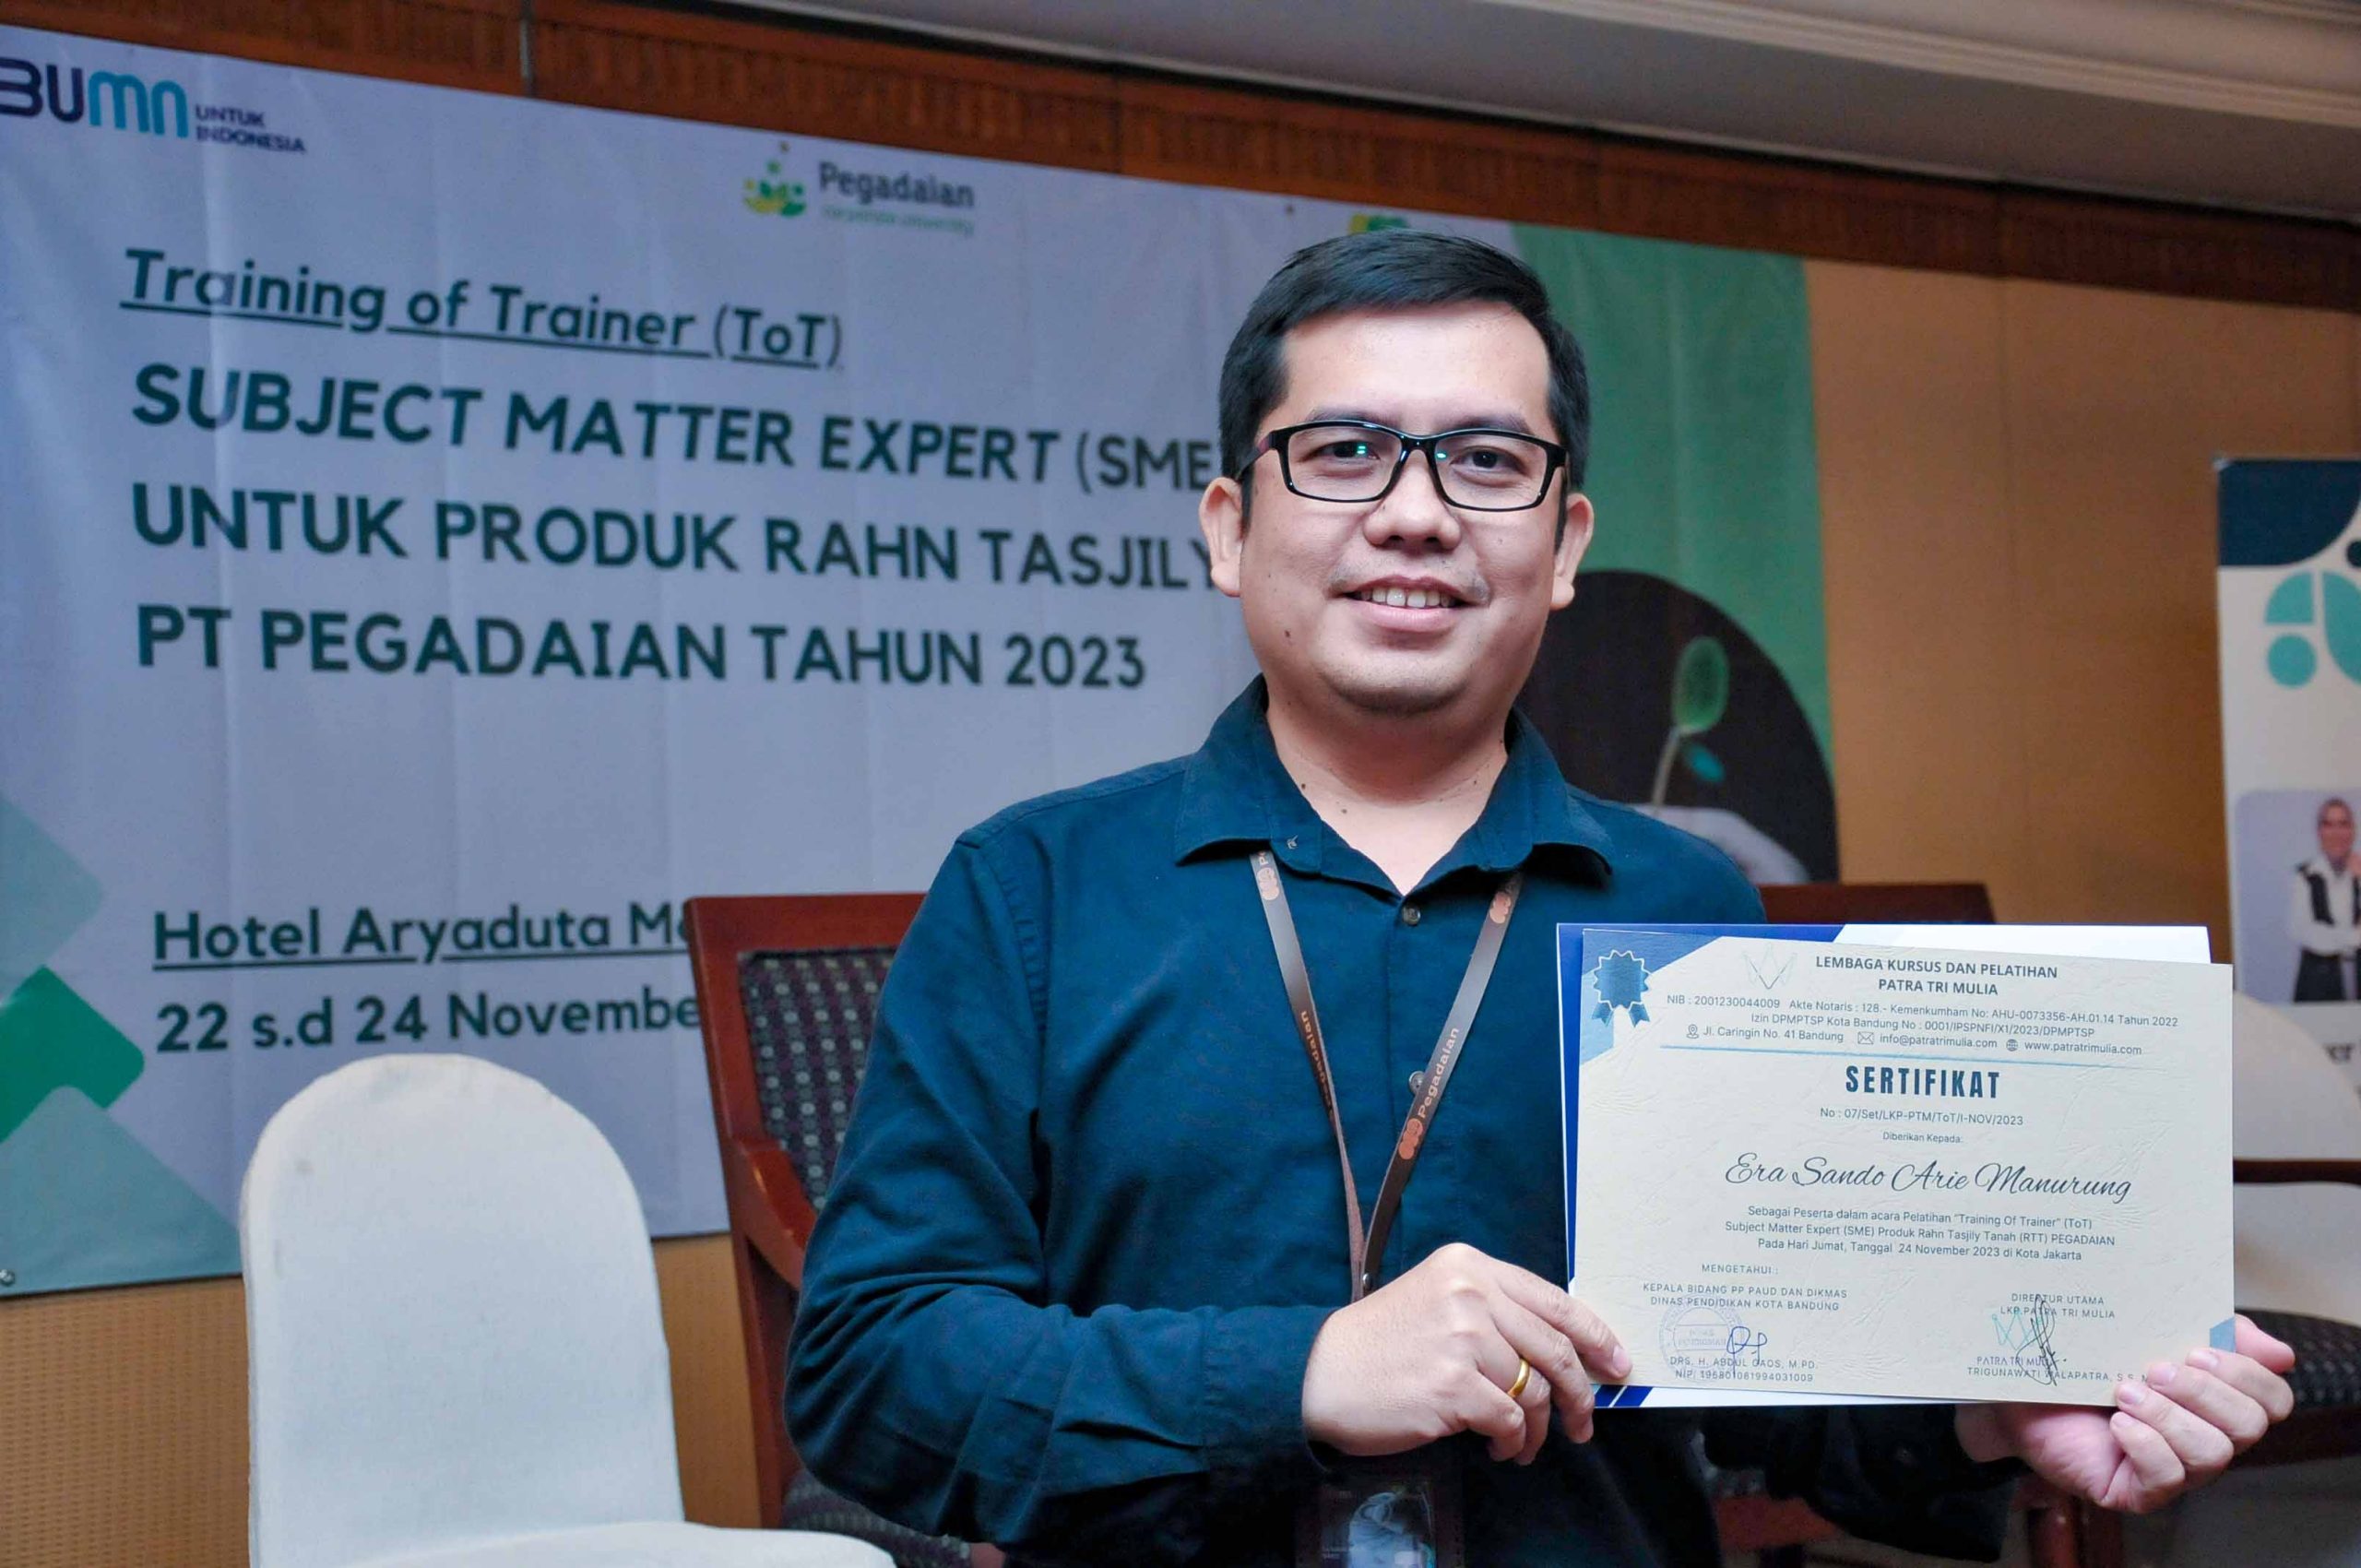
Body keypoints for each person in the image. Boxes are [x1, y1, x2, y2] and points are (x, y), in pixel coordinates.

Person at [786, 231, 2296, 1565]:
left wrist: (1988, 1415)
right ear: (1231, 527)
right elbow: (871, 1370)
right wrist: (1300, 1374)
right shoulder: (1035, 891)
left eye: (1489, 462)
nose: (1417, 514)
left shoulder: (1686, 905)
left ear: (1565, 543)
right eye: (1345, 452)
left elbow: (1775, 1395)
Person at [2291, 796, 2357, 1002]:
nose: (2336, 833)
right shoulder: (2305, 876)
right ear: (2319, 832)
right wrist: (2354, 937)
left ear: (2353, 831)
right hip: (2318, 985)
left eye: (2343, 824)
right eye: (2329, 824)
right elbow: (2305, 931)